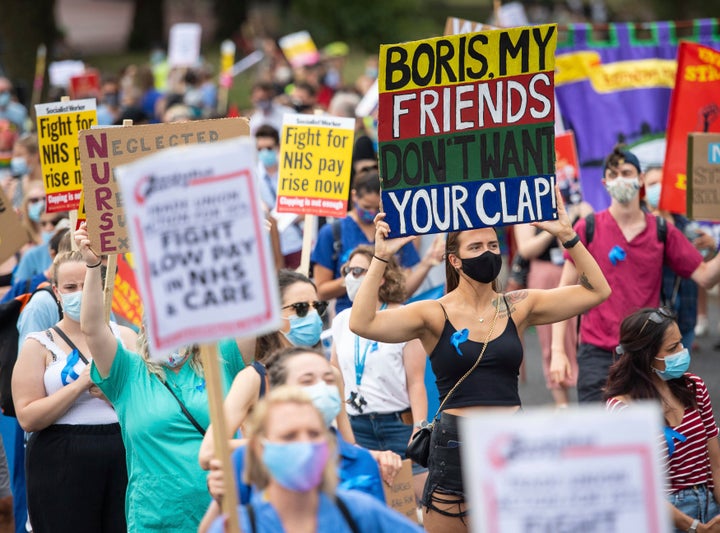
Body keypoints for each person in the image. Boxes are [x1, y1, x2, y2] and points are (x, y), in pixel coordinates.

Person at [349, 188, 611, 533]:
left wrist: (567, 236)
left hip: (511, 443)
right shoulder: (433, 312)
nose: (487, 253)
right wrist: (380, 258)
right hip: (455, 447)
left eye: (492, 246)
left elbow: (597, 291)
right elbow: (362, 322)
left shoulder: (518, 305)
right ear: (454, 259)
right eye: (475, 247)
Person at [74, 223, 245, 532]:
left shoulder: (221, 357)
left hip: (226, 515)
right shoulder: (128, 372)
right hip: (156, 520)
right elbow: (92, 329)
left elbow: (254, 317)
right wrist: (92, 266)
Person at [551, 146, 720, 403]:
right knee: (599, 437)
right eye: (614, 174)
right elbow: (563, 295)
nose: (621, 179)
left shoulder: (662, 230)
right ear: (605, 183)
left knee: (646, 438)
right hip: (596, 355)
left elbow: (706, 277)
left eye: (627, 172)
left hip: (646, 354)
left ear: (640, 179)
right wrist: (557, 351)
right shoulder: (588, 228)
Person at [199, 346, 390, 532]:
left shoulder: (361, 464)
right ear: (281, 391)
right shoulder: (245, 461)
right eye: (308, 381)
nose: (322, 388)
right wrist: (220, 501)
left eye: (328, 379)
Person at [12, 251, 136, 532]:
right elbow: (28, 417)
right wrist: (80, 384)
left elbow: (146, 401)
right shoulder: (39, 345)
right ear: (57, 292)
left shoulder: (126, 338)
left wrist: (111, 393)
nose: (80, 293)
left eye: (87, 283)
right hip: (60, 461)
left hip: (121, 455)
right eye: (70, 287)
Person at [205, 386, 423, 533]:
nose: (305, 445)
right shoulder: (238, 526)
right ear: (260, 449)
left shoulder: (360, 513)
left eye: (314, 434)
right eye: (289, 436)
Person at [605, 307, 720, 533]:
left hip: (711, 505)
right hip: (665, 516)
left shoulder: (694, 386)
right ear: (646, 356)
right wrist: (695, 527)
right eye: (672, 348)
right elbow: (638, 488)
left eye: (680, 343)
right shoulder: (622, 408)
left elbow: (716, 464)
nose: (682, 351)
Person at [331, 245, 428, 497]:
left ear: (380, 276)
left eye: (357, 271)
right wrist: (339, 422)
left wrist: (419, 429)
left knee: (416, 504)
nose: (350, 277)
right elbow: (335, 373)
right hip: (357, 427)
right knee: (368, 503)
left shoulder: (403, 316)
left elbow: (416, 381)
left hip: (399, 425)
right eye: (346, 270)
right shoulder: (341, 320)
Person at [311, 169, 437, 315]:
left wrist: (427, 263)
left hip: (390, 317)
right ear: (354, 196)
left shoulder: (394, 229)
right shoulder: (332, 232)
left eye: (377, 208)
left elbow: (404, 289)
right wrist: (355, 277)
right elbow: (321, 291)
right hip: (349, 315)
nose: (372, 213)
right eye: (366, 207)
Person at [513, 195, 593, 406]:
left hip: (575, 271)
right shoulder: (525, 210)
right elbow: (526, 249)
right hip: (543, 275)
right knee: (550, 339)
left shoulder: (579, 205)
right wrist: (553, 229)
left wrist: (572, 220)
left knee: (584, 334)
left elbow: (580, 245)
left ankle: (590, 396)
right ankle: (562, 403)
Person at [644, 166, 717, 349]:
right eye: (652, 184)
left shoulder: (687, 225)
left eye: (662, 183)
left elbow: (704, 268)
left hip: (685, 313)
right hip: (651, 319)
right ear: (643, 190)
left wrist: (712, 246)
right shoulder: (639, 227)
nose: (658, 188)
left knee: (680, 373)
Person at [256, 125, 303, 269]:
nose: (264, 153)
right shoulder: (253, 177)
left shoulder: (292, 172)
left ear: (277, 147)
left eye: (269, 148)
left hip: (295, 241)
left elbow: (305, 206)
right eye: (260, 149)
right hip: (270, 247)